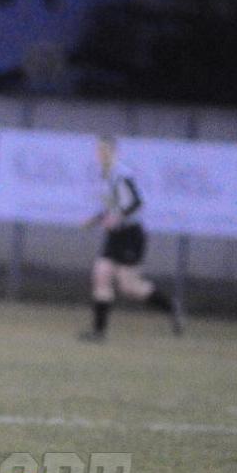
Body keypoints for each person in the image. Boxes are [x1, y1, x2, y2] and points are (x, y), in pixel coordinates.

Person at [79, 135, 183, 342]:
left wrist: (116, 217)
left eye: (105, 150)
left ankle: (171, 306)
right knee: (101, 274)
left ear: (114, 152)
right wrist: (97, 219)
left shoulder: (121, 174)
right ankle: (99, 332)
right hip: (115, 235)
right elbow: (114, 205)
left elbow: (135, 203)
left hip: (131, 235)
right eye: (99, 150)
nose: (101, 154)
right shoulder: (105, 175)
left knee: (130, 287)